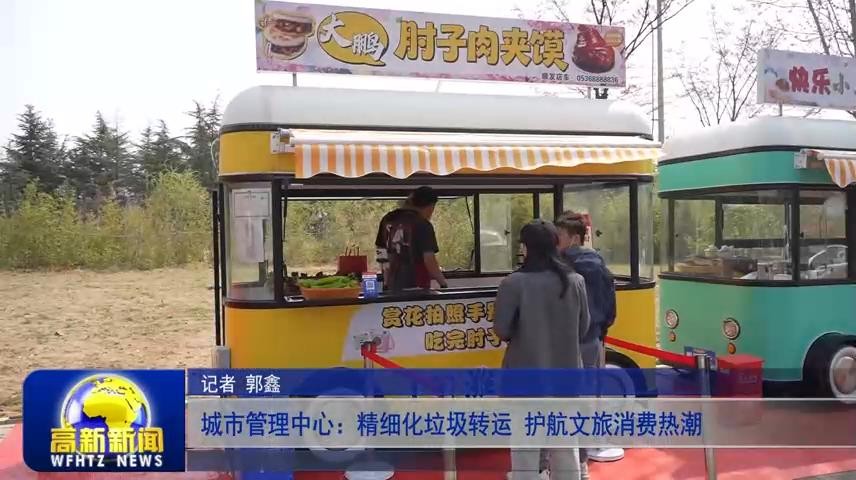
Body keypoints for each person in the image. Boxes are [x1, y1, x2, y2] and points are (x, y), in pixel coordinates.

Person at [495, 220, 590, 480]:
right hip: (567, 378)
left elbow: (502, 329)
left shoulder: (512, 283)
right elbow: (583, 328)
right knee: (565, 446)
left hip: (524, 379)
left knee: (525, 449)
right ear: (555, 245)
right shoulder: (576, 281)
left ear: (525, 248)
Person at [555, 210, 622, 471]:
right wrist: (601, 327)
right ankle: (590, 444)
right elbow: (609, 304)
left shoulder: (562, 266)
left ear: (574, 238)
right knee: (590, 391)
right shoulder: (599, 264)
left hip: (568, 338)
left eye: (560, 235)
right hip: (592, 337)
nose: (556, 240)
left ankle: (575, 450)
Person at [375, 186, 449, 291]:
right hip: (417, 285)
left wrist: (386, 280)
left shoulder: (387, 219)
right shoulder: (423, 224)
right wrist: (443, 284)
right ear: (430, 206)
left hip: (392, 284)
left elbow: (380, 250)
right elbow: (429, 259)